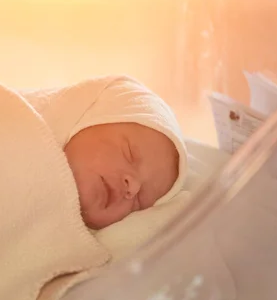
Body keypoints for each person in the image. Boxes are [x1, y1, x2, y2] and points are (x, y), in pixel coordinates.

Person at [20, 75, 187, 230]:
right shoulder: (6, 124)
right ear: (85, 115)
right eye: (129, 154)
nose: (133, 187)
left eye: (140, 201)